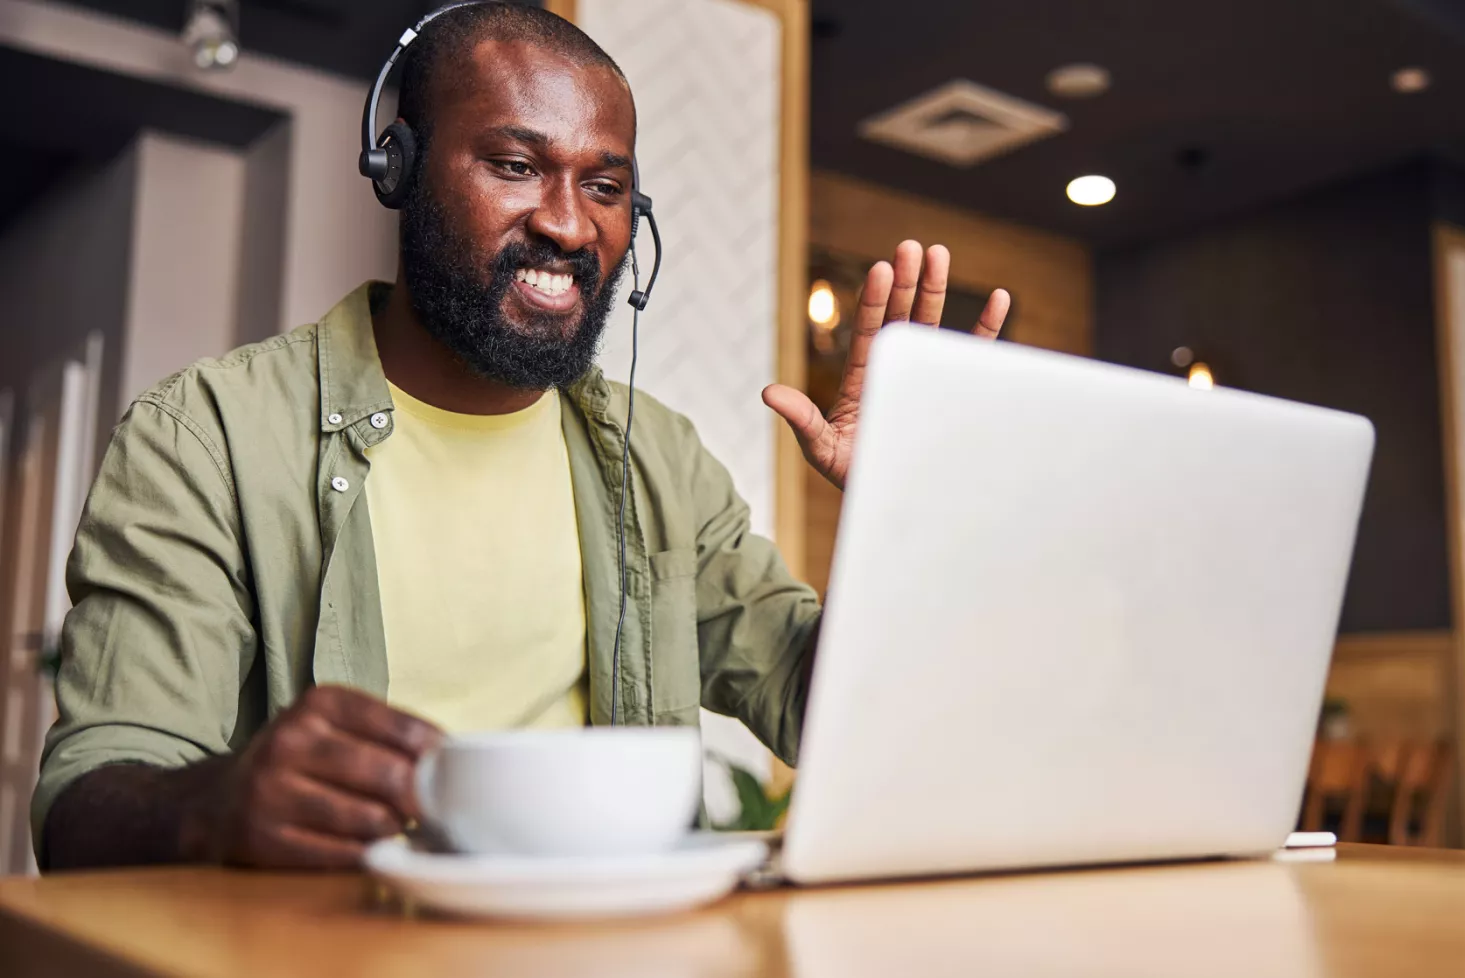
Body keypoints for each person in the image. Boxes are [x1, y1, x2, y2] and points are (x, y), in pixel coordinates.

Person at [33, 2, 1009, 871]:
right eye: (515, 165)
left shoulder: (657, 458)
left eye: (607, 187)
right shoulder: (206, 438)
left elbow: (820, 708)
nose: (569, 225)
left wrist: (906, 515)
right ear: (400, 167)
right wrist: (214, 806)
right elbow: (85, 802)